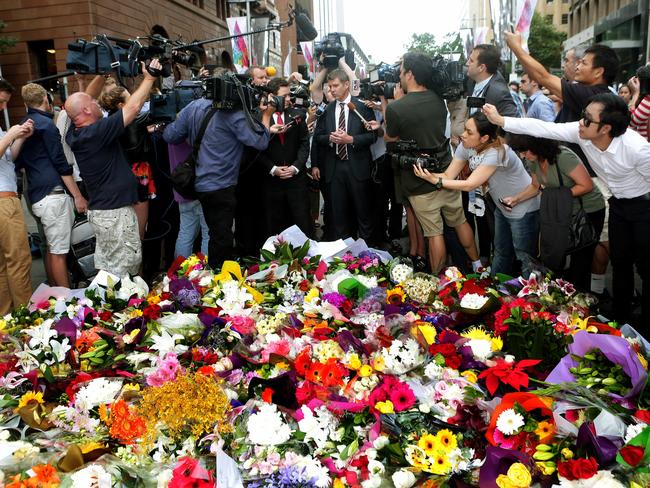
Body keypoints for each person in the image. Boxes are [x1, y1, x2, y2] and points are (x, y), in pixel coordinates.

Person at [482, 94, 650, 332]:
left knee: (645, 266)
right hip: (619, 206)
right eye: (583, 116)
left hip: (644, 206)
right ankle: (621, 318)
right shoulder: (582, 133)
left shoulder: (637, 149)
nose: (580, 122)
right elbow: (542, 127)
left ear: (606, 128)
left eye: (588, 120)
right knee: (621, 262)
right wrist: (501, 120)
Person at [383, 52, 481, 273]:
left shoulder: (397, 108)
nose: (398, 77)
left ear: (410, 74)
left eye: (401, 72)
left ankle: (436, 279)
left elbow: (391, 137)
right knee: (459, 221)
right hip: (446, 172)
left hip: (419, 179)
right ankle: (477, 264)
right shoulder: (439, 99)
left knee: (433, 233)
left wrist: (393, 105)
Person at [163, 72, 273, 269]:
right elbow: (260, 141)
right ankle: (214, 279)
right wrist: (265, 116)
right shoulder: (234, 115)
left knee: (197, 232)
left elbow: (170, 135)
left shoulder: (195, 106)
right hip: (221, 186)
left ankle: (189, 275)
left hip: (199, 183)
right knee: (220, 237)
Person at [65, 60, 162, 277]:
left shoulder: (77, 131)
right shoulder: (97, 133)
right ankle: (126, 306)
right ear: (88, 110)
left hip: (105, 211)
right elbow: (133, 108)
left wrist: (101, 74)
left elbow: (81, 102)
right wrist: (149, 78)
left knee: (110, 268)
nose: (97, 101)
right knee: (123, 268)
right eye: (93, 102)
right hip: (114, 213)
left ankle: (111, 306)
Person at [414, 112, 540, 278]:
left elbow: (469, 184)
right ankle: (498, 289)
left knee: (525, 258)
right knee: (501, 252)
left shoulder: (497, 152)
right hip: (503, 207)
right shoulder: (467, 146)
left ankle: (529, 299)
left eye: (469, 132)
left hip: (524, 208)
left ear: (484, 138)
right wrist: (428, 172)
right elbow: (448, 176)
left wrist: (436, 181)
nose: (463, 135)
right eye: (465, 129)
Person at [507, 134, 605, 290]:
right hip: (561, 212)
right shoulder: (533, 161)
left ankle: (582, 301)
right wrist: (516, 199)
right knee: (555, 254)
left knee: (581, 260)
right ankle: (561, 295)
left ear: (537, 146)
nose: (522, 156)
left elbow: (586, 185)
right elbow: (535, 186)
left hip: (586, 211)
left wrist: (555, 196)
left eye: (524, 151)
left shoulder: (563, 156)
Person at [16, 83, 87, 288]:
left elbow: (18, 162)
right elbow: (60, 163)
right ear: (46, 100)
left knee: (51, 248)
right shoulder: (47, 126)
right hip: (52, 195)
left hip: (36, 195)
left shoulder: (24, 124)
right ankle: (66, 301)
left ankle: (56, 294)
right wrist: (78, 196)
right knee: (59, 253)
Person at [313, 69, 376, 241]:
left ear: (346, 84)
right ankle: (343, 258)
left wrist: (351, 139)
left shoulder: (361, 107)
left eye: (335, 85)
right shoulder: (328, 109)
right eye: (330, 86)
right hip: (335, 168)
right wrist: (330, 138)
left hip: (358, 167)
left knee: (363, 213)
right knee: (338, 216)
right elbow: (318, 137)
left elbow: (372, 136)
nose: (332, 90)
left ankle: (367, 256)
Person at [98, 85, 156, 240]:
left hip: (118, 172)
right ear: (121, 105)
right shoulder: (135, 119)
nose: (135, 102)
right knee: (139, 229)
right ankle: (138, 260)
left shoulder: (108, 121)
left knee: (125, 225)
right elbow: (157, 113)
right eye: (130, 98)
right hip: (138, 172)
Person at [257, 77, 312, 237]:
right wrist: (273, 169)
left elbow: (304, 144)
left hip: (296, 181)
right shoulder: (260, 118)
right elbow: (256, 150)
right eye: (284, 96)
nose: (289, 99)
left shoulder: (298, 115)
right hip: (271, 183)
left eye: (289, 95)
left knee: (302, 224)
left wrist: (295, 167)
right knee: (274, 226)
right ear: (272, 97)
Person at [0, 78, 34, 314]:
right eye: (1, 101)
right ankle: (26, 318)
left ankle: (7, 318)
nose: (3, 107)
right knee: (19, 261)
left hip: (6, 198)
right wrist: (11, 135)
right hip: (4, 202)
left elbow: (8, 158)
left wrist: (20, 136)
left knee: (3, 265)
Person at [466, 44, 519, 117]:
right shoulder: (472, 82)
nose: (467, 63)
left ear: (481, 67)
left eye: (471, 61)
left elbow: (512, 123)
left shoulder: (499, 93)